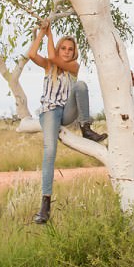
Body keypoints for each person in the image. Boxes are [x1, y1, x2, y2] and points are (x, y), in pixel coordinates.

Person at [26, 23, 107, 225]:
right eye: (64, 48)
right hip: (50, 113)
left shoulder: (74, 68)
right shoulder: (49, 66)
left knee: (81, 85)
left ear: (74, 53)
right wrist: (43, 33)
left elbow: (53, 57)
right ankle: (45, 204)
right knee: (50, 151)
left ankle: (86, 128)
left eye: (70, 49)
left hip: (68, 113)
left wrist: (50, 32)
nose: (67, 52)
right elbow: (31, 54)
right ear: (59, 48)